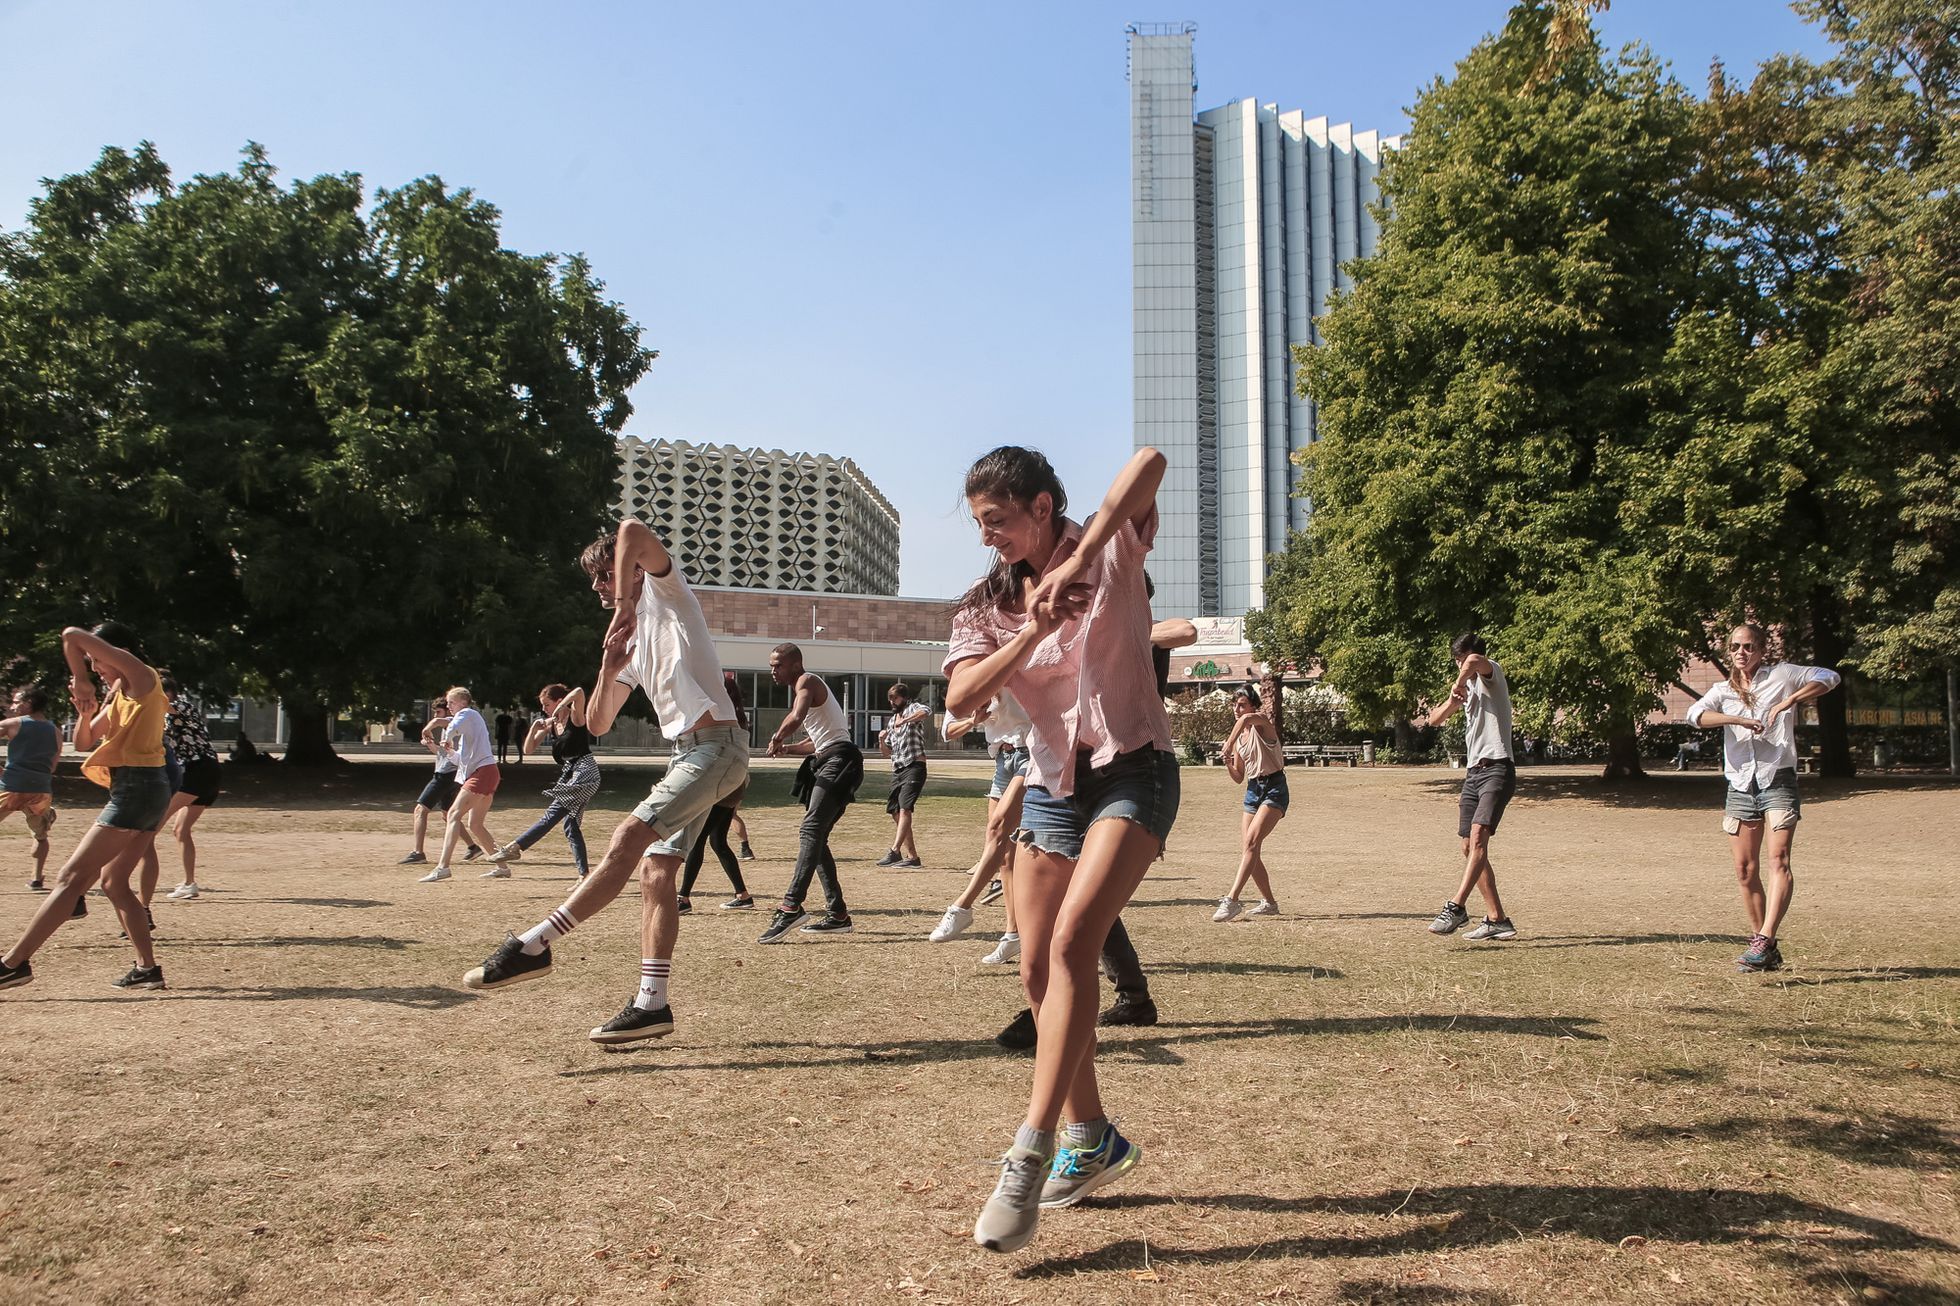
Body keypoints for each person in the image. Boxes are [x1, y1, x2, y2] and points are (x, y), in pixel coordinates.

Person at [947, 445, 1179, 1253]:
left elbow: (1147, 462)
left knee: (1080, 943)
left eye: (997, 521)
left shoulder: (1111, 549)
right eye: (980, 524)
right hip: (1051, 786)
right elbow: (962, 696)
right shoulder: (982, 606)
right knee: (1038, 968)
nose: (988, 538)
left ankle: (1029, 1152)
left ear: (1041, 508)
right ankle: (1095, 1136)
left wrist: (1077, 559)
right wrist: (1031, 630)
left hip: (1135, 772)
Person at [462, 519, 749, 1047]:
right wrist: (608, 665)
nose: (599, 587)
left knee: (624, 840)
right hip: (688, 754)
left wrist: (622, 605)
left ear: (635, 574)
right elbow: (595, 723)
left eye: (604, 577)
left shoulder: (669, 597)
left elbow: (633, 529)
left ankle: (534, 943)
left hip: (717, 748)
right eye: (597, 581)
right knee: (656, 873)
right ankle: (651, 1006)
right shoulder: (633, 643)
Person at [1, 623, 171, 992]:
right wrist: (85, 707)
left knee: (71, 878)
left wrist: (79, 676)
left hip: (139, 789)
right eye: (90, 663)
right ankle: (147, 969)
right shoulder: (123, 696)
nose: (94, 667)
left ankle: (13, 964)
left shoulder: (142, 678)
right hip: (141, 788)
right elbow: (84, 741)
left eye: (97, 660)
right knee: (113, 883)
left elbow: (70, 634)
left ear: (116, 652)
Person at [1686, 622, 1841, 973]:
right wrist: (1736, 719)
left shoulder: (1783, 675)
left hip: (1777, 779)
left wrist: (1789, 700)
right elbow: (1695, 715)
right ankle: (1764, 946)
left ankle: (1765, 937)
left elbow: (1829, 677)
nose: (1742, 653)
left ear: (1761, 649)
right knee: (1744, 869)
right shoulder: (1722, 690)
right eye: (1736, 647)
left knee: (1779, 859)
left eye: (1749, 647)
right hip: (1740, 785)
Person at [758, 644, 861, 942]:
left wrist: (778, 736)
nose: (773, 671)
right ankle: (838, 915)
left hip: (841, 761)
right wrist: (788, 748)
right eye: (771, 665)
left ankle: (791, 906)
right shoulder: (806, 686)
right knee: (816, 837)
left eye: (777, 665)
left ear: (795, 665)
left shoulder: (807, 682)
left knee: (811, 830)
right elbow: (818, 742)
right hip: (832, 757)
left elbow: (797, 715)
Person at [1424, 634, 1519, 942]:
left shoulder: (1493, 674)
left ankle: (1457, 907)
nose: (1460, 667)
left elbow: (1476, 662)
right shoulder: (1465, 689)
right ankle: (1497, 920)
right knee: (1468, 847)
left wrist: (1462, 676)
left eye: (1460, 661)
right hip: (1473, 774)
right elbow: (1434, 720)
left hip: (1497, 768)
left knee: (1479, 838)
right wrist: (1453, 699)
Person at [927, 691, 1030, 958]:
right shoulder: (970, 678)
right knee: (1005, 855)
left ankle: (962, 907)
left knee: (998, 829)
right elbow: (948, 731)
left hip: (1031, 753)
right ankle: (1013, 934)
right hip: (1002, 760)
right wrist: (974, 720)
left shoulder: (1013, 663)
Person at [493, 685, 601, 878]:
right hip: (570, 773)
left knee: (553, 813)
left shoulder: (575, 717)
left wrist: (562, 707)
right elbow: (528, 749)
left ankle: (516, 846)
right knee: (571, 826)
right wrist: (535, 727)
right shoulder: (553, 725)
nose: (545, 709)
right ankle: (584, 876)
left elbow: (579, 692)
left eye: (547, 705)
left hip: (585, 771)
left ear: (559, 701)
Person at [139, 677, 222, 903]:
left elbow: (164, 706)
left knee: (151, 827)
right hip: (203, 772)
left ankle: (143, 892)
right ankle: (189, 883)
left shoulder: (182, 706)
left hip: (199, 770)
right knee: (180, 829)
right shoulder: (164, 716)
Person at [677, 671, 755, 912]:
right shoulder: (737, 717)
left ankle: (683, 899)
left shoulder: (724, 717)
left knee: (699, 839)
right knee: (718, 842)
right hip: (732, 784)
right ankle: (743, 896)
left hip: (720, 784)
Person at [416, 687, 504, 882]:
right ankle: (502, 866)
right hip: (486, 772)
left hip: (482, 773)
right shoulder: (467, 731)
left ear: (463, 702)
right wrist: (443, 747)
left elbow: (453, 723)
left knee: (453, 815)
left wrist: (445, 736)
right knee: (476, 824)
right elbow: (458, 760)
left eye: (451, 703)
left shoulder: (468, 714)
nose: (449, 706)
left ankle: (442, 867)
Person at [1214, 684, 1284, 921]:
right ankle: (1270, 903)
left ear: (1253, 705)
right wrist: (1228, 761)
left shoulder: (1261, 721)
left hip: (1274, 787)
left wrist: (1227, 742)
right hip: (1253, 789)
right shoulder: (1239, 739)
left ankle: (1232, 900)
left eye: (1242, 704)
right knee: (1249, 849)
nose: (1237, 708)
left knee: (1252, 842)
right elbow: (1239, 777)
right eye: (1234, 704)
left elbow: (1246, 721)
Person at [402, 697, 479, 866]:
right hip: (453, 775)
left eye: (439, 711)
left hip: (445, 776)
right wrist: (430, 744)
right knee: (448, 815)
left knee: (420, 810)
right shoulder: (452, 728)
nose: (436, 715)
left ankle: (418, 852)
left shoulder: (452, 722)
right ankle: (473, 847)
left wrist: (427, 728)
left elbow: (438, 721)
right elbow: (442, 753)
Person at [2, 686, 60, 891]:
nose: (12, 706)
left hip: (11, 787)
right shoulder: (55, 730)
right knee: (40, 836)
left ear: (28, 703)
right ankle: (36, 879)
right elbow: (53, 765)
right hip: (41, 790)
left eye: (16, 702)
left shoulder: (12, 724)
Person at [875, 683, 930, 868]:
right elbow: (886, 753)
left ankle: (895, 851)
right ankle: (913, 858)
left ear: (904, 698)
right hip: (898, 769)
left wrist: (906, 720)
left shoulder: (912, 709)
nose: (892, 702)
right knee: (895, 812)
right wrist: (881, 740)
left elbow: (926, 712)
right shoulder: (892, 721)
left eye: (894, 698)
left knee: (905, 809)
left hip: (914, 765)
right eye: (890, 699)